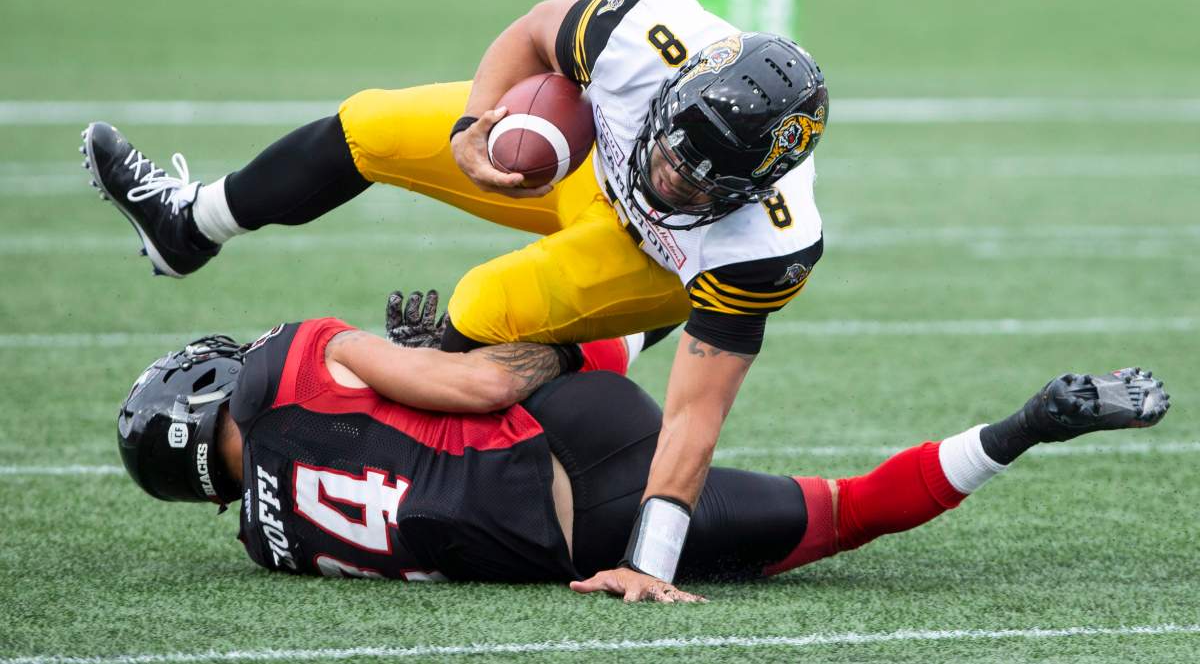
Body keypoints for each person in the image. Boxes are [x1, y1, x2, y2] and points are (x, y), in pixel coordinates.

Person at [83, 0, 829, 599]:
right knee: (372, 124)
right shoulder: (643, 33)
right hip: (583, 159)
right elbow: (535, 33)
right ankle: (190, 222)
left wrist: (650, 562)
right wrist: (476, 122)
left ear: (758, 187)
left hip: (649, 260)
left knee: (486, 304)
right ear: (675, 87)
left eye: (700, 180)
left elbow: (697, 410)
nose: (669, 178)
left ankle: (457, 427)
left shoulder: (768, 245)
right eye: (673, 152)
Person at [116, 296, 1171, 602]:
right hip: (577, 439)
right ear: (207, 388)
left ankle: (1027, 425)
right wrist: (481, 346)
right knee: (535, 316)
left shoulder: (271, 547)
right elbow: (483, 387)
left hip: (593, 548)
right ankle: (704, 276)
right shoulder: (289, 357)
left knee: (845, 512)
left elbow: (387, 457)